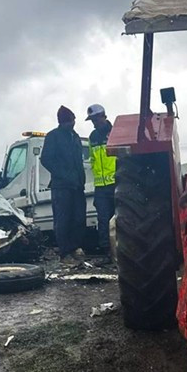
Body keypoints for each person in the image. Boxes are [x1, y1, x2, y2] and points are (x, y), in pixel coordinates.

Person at [40, 105, 87, 260]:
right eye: (70, 121)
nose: (73, 123)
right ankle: (65, 250)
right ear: (62, 122)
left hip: (77, 185)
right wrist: (64, 175)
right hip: (61, 186)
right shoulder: (53, 136)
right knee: (63, 219)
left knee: (79, 217)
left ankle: (75, 247)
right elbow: (46, 159)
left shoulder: (75, 136)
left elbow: (78, 161)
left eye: (73, 120)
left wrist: (80, 179)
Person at [86, 103, 116, 257]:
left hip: (116, 183)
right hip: (101, 186)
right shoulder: (93, 136)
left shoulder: (115, 133)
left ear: (103, 116)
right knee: (103, 219)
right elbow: (92, 159)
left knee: (119, 218)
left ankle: (120, 250)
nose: (94, 123)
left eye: (95, 119)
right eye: (92, 120)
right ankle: (106, 252)